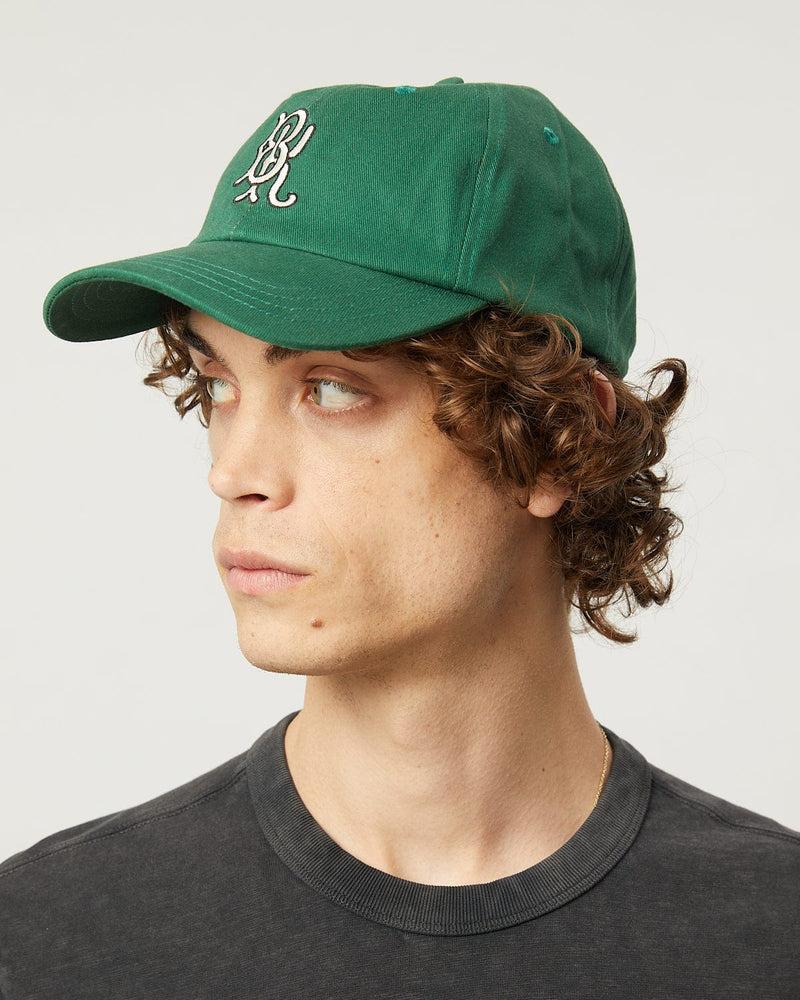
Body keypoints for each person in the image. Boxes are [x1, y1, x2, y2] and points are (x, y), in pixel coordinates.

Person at [2, 77, 797, 997]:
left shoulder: (771, 939)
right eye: (219, 384)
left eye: (332, 388)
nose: (233, 472)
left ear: (557, 442)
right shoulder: (49, 943)